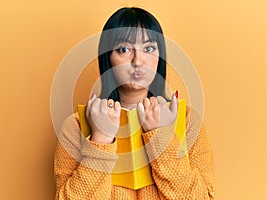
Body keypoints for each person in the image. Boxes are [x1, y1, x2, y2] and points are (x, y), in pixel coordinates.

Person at [54, 7, 215, 199]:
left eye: (149, 48)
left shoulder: (188, 121)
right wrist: (100, 139)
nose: (138, 61)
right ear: (108, 58)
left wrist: (162, 136)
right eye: (124, 49)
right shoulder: (76, 126)